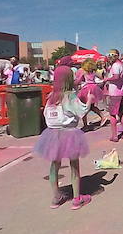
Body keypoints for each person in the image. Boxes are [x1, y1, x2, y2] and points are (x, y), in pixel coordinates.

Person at [33, 65, 92, 210]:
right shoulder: (70, 95)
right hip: (69, 133)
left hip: (53, 133)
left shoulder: (51, 97)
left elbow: (46, 114)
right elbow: (82, 111)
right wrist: (89, 99)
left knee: (55, 165)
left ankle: (56, 197)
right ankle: (77, 198)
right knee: (74, 166)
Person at [103, 49, 123, 142]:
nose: (109, 57)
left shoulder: (115, 65)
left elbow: (116, 77)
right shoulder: (121, 65)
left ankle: (114, 136)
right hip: (121, 92)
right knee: (121, 113)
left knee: (113, 115)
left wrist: (107, 79)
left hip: (115, 93)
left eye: (111, 55)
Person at [76, 59, 106, 129]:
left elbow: (78, 81)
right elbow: (101, 77)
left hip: (86, 89)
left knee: (83, 106)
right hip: (94, 87)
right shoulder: (94, 71)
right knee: (91, 106)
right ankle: (103, 117)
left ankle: (85, 125)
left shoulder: (83, 71)